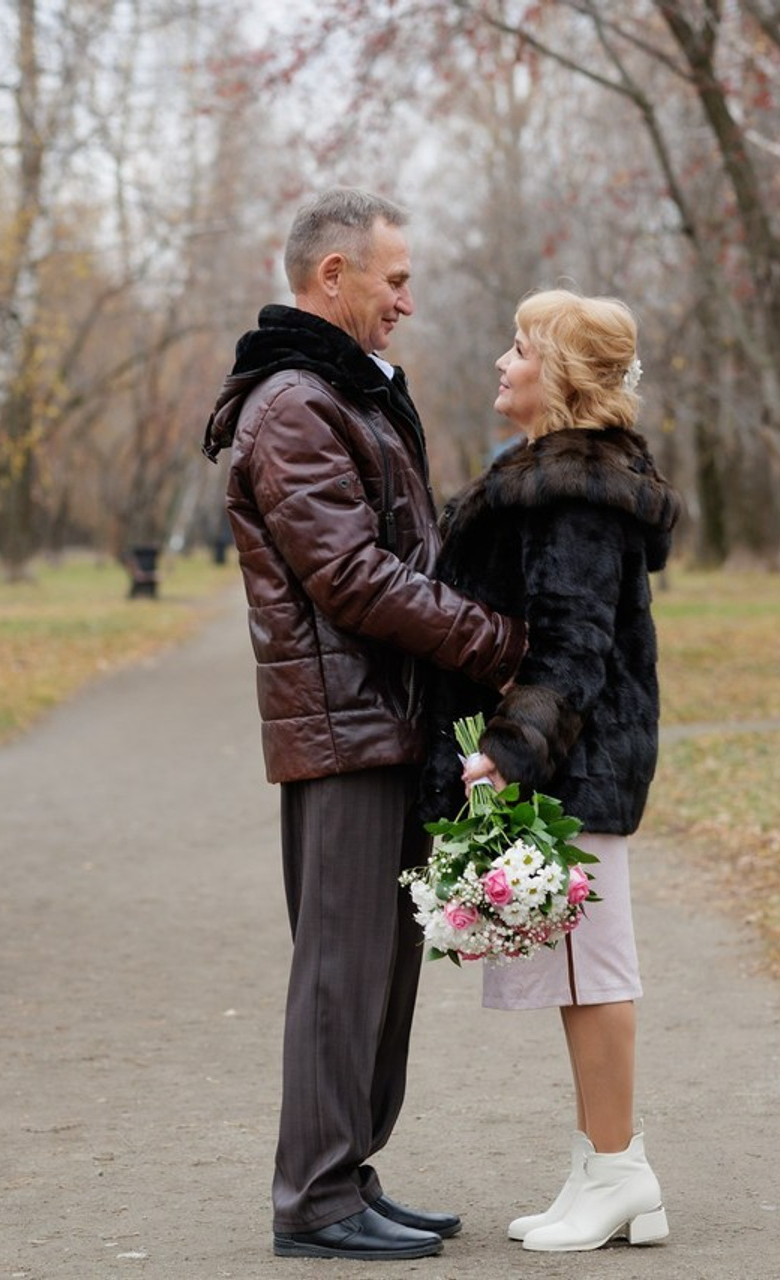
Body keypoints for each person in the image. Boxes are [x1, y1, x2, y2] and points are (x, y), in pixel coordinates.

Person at [202, 187, 526, 1262]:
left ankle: (344, 1174)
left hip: (386, 718)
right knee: (340, 970)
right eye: (392, 278)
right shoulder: (294, 404)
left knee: (378, 968)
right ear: (330, 275)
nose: (406, 298)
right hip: (339, 730)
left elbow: (409, 547)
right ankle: (311, 1198)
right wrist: (489, 641)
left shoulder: (352, 395)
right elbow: (350, 574)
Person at [419, 288, 681, 1252]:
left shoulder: (574, 494)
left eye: (521, 346)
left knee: (595, 969)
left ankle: (619, 1170)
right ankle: (605, 1168)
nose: (503, 359)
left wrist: (507, 749)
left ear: (559, 375)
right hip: (576, 758)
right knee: (580, 971)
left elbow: (574, 647)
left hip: (579, 761)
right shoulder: (546, 477)